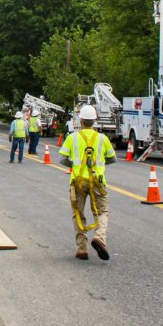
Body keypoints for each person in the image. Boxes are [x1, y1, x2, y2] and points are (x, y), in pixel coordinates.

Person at [59, 105, 116, 260]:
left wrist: (76, 166)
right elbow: (112, 158)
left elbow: (62, 159)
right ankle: (99, 237)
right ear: (95, 121)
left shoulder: (72, 137)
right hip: (98, 181)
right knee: (102, 211)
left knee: (78, 213)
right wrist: (99, 165)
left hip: (77, 181)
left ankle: (82, 249)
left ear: (81, 120)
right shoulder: (102, 139)